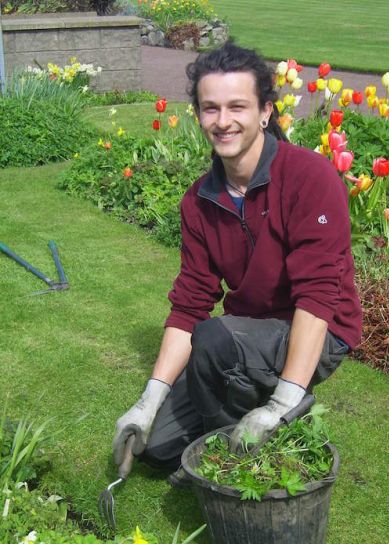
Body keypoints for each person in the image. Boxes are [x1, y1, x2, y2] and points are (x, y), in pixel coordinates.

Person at [112, 42, 362, 484]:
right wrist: (149, 400)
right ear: (198, 115)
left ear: (265, 111)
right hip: (249, 333)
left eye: (237, 106)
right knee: (160, 448)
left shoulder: (309, 178)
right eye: (210, 108)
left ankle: (247, 451)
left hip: (320, 330)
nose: (222, 121)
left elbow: (319, 296)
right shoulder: (199, 200)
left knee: (213, 342)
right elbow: (190, 303)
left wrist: (284, 399)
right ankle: (244, 410)